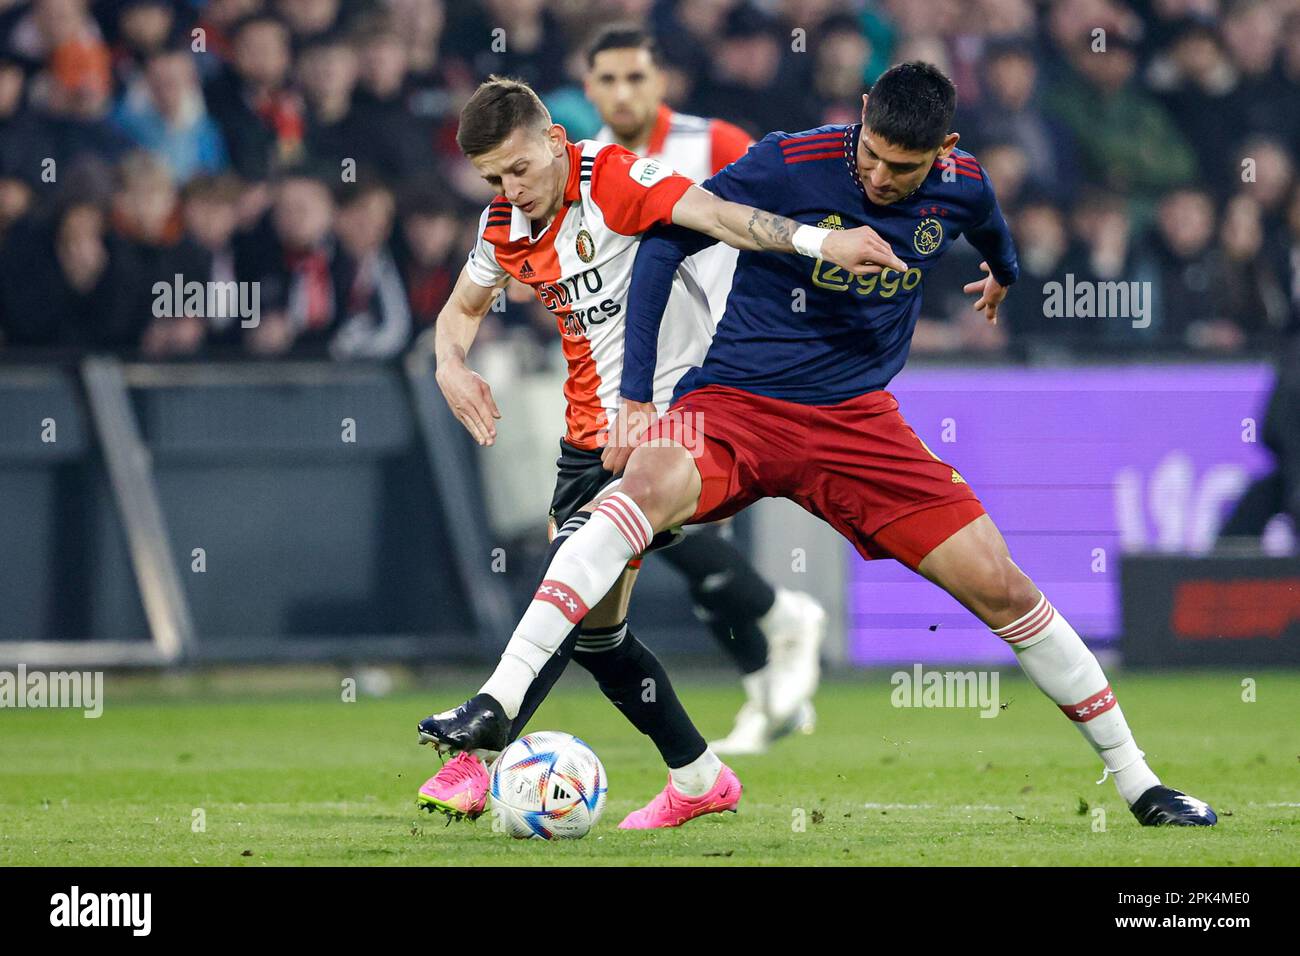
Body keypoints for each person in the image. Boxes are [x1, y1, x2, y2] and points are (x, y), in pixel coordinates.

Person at [419, 62, 1218, 829]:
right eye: (868, 152)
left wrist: (1001, 273)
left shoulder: (964, 182)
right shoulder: (789, 160)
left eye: (898, 167)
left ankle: (1140, 781)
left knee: (1002, 587)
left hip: (857, 422)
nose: (875, 176)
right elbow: (675, 236)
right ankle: (503, 703)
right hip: (736, 400)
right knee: (626, 503)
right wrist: (631, 396)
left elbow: (989, 222)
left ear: (942, 153)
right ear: (862, 112)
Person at [413, 75, 901, 830]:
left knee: (565, 583)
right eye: (492, 179)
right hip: (588, 440)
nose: (511, 189)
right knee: (599, 637)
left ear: (554, 141)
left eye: (520, 169)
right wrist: (451, 364)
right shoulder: (503, 225)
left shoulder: (612, 176)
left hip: (668, 423)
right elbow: (460, 312)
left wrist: (821, 241)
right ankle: (700, 777)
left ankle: (478, 750)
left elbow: (721, 216)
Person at [585, 24, 825, 755]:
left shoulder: (713, 140)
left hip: (711, 369)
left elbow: (782, 216)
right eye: (608, 80)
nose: (623, 92)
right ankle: (769, 689)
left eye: (636, 77)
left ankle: (784, 616)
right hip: (628, 377)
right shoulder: (586, 163)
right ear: (590, 88)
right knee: (673, 538)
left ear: (660, 82)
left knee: (647, 525)